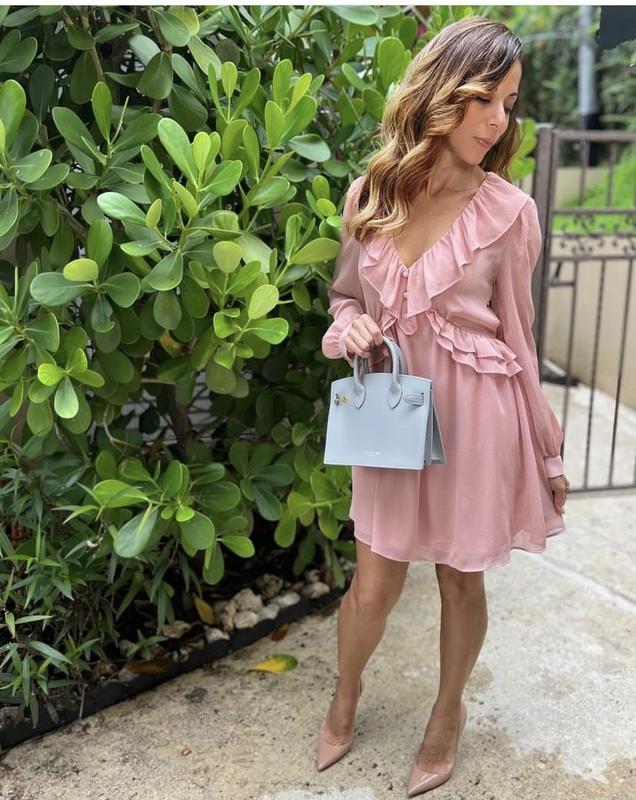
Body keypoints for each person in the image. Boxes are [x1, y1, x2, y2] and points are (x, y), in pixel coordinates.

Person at [317, 16, 571, 797]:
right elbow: (344, 298)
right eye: (483, 99)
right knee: (372, 588)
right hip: (393, 413)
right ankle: (345, 693)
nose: (497, 120)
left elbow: (520, 339)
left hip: (478, 420)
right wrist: (349, 328)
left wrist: (546, 448)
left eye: (509, 103)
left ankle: (446, 714)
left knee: (462, 582)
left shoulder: (509, 213)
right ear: (439, 93)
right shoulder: (372, 193)